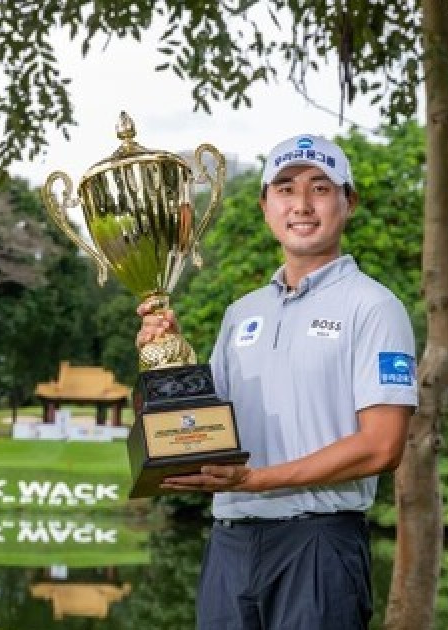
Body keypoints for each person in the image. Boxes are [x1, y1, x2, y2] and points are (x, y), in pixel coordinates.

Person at [136, 133, 418, 629]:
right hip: (230, 543)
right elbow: (207, 431)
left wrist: (257, 481)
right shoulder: (241, 312)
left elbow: (382, 447)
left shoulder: (374, 306)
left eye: (321, 188)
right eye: (285, 189)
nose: (302, 205)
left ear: (348, 202)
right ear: (266, 206)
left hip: (319, 546)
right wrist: (168, 363)